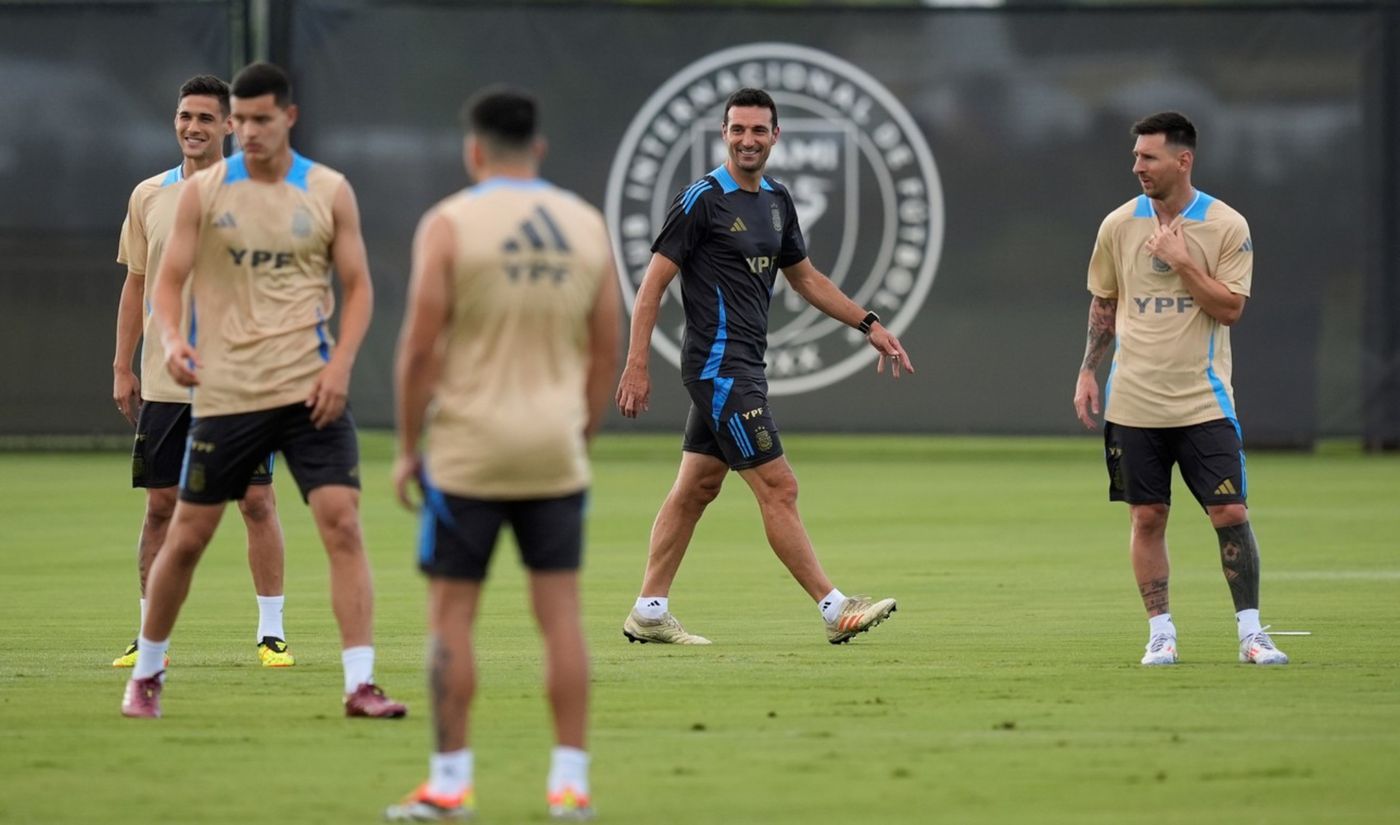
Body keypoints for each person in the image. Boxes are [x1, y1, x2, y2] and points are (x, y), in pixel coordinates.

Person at [120, 61, 407, 718]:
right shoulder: (203, 193)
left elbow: (359, 287)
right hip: (229, 392)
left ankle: (359, 682)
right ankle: (150, 668)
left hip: (310, 391)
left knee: (342, 524)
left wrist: (341, 368)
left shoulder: (329, 190)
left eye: (259, 120)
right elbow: (165, 281)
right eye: (240, 121)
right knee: (187, 534)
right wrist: (169, 338)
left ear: (288, 118)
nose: (247, 132)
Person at [385, 87, 619, 823]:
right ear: (539, 148)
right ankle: (570, 786)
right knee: (562, 617)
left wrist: (404, 446)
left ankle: (450, 784)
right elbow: (605, 348)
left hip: (469, 450)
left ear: (474, 149)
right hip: (554, 447)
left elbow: (420, 346)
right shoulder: (586, 225)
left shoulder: (451, 222)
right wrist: (580, 430)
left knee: (452, 614)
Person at [615, 87, 910, 646]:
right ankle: (834, 608)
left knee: (696, 487)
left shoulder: (776, 198)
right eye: (737, 129)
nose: (747, 140)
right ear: (723, 134)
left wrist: (869, 323)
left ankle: (649, 611)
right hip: (719, 369)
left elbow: (805, 279)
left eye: (758, 130)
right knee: (779, 485)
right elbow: (652, 284)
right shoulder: (701, 199)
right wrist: (636, 365)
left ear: (776, 136)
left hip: (745, 365)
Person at [1072, 111, 1288, 667]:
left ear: (1183, 160)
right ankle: (1160, 634)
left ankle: (1251, 634)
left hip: (1202, 400)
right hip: (1134, 401)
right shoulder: (1118, 224)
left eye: (1149, 156)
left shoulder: (1225, 225)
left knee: (1230, 513)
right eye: (1136, 155)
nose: (1137, 165)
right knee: (1147, 518)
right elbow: (1105, 304)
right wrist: (1087, 370)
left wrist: (1183, 260)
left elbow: (1229, 308)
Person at [112, 74, 294, 670]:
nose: (192, 127)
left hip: (241, 383)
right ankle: (148, 638)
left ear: (230, 128)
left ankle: (271, 634)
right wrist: (122, 365)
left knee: (256, 503)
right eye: (184, 116)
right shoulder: (149, 196)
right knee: (161, 506)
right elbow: (136, 283)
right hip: (166, 381)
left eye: (205, 119)